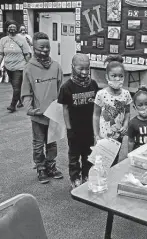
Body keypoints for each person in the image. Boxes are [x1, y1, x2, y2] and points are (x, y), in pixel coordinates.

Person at [21, 32, 63, 184]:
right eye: (40, 48)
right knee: (38, 143)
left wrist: (61, 108)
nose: (45, 50)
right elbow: (26, 92)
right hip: (38, 115)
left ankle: (51, 166)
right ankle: (41, 168)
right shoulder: (29, 68)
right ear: (33, 48)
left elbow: (60, 90)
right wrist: (30, 109)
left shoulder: (56, 67)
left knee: (52, 142)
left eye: (47, 47)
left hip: (53, 114)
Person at [58, 54, 99, 188]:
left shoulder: (93, 84)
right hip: (74, 128)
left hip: (89, 127)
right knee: (74, 156)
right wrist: (69, 128)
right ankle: (75, 177)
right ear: (72, 67)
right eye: (80, 69)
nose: (84, 72)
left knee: (89, 154)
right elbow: (65, 109)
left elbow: (97, 107)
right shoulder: (67, 87)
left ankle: (87, 175)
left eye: (87, 68)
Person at [93, 55, 132, 166]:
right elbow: (96, 115)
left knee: (114, 160)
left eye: (120, 76)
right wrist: (96, 134)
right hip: (103, 136)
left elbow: (128, 112)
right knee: (101, 162)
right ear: (107, 76)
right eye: (113, 76)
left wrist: (125, 125)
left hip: (118, 136)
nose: (117, 79)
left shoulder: (126, 94)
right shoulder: (101, 94)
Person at [0, 20, 31, 112]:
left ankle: (12, 105)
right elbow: (1, 54)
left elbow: (27, 54)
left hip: (20, 66)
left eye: (14, 26)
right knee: (16, 86)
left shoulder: (22, 39)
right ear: (7, 28)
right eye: (10, 26)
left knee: (16, 87)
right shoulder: (3, 40)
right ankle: (20, 101)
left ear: (16, 28)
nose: (12, 28)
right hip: (8, 67)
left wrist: (29, 66)